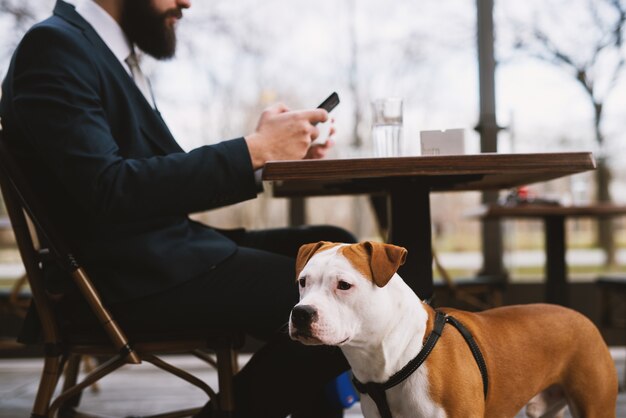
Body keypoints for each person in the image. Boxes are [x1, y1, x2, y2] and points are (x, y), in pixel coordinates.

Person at [0, 0, 354, 416]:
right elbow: (107, 189)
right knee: (348, 298)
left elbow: (149, 177)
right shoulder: (55, 48)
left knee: (341, 253)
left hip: (158, 256)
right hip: (124, 278)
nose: (186, 1)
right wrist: (253, 150)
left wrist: (267, 158)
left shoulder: (101, 52)